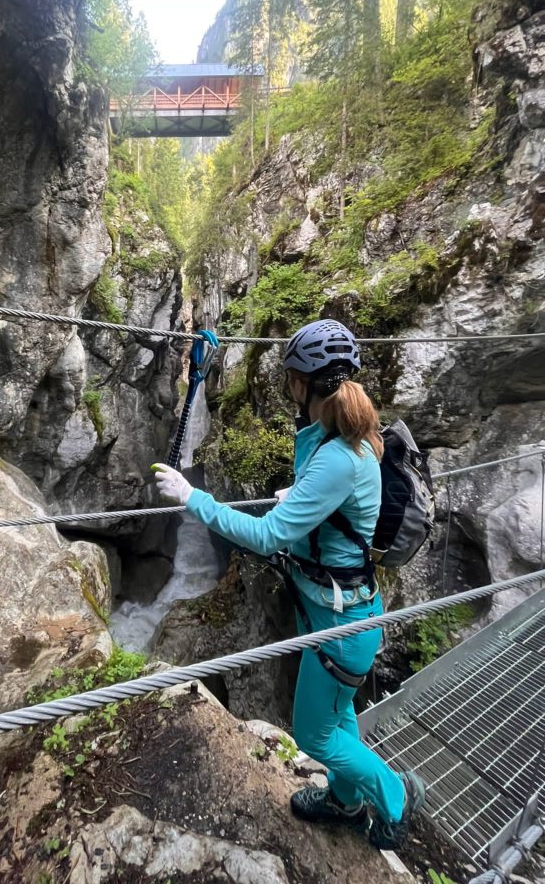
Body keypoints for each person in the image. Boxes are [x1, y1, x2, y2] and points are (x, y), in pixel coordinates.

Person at [153, 318, 425, 850]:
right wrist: (298, 495)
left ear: (307, 384)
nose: (288, 390)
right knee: (339, 716)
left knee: (314, 734)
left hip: (340, 624)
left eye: (292, 380)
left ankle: (393, 796)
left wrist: (193, 497)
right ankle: (344, 802)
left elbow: (265, 536)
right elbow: (330, 500)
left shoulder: (339, 458)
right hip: (341, 611)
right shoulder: (348, 436)